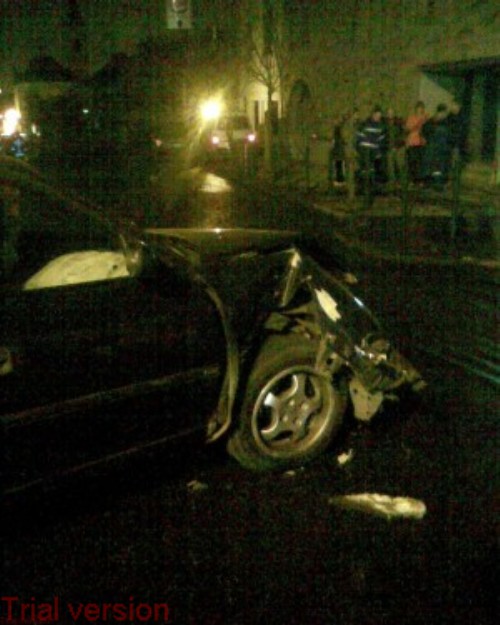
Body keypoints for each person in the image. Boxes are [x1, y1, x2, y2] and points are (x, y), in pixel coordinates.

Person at [422, 103, 451, 190]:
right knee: (432, 166)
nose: (444, 115)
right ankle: (431, 183)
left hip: (441, 149)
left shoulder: (446, 122)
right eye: (443, 113)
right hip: (433, 147)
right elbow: (425, 130)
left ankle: (437, 183)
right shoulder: (432, 121)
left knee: (438, 167)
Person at [356, 105, 387, 189]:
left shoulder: (381, 126)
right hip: (365, 149)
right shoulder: (365, 124)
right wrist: (360, 148)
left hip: (373, 150)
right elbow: (359, 137)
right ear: (373, 114)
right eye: (377, 115)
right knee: (365, 168)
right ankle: (364, 185)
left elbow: (380, 140)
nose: (378, 117)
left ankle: (370, 186)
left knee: (371, 169)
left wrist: (378, 152)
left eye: (379, 116)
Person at [405, 101, 428, 183]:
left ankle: (420, 180)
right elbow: (408, 129)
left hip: (421, 143)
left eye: (421, 109)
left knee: (420, 162)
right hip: (412, 143)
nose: (420, 110)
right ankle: (412, 180)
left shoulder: (426, 118)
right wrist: (418, 123)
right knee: (412, 162)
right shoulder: (411, 118)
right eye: (418, 109)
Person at [385, 107, 406, 189]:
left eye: (391, 112)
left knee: (400, 165)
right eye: (388, 113)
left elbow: (402, 135)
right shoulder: (385, 123)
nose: (390, 114)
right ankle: (392, 183)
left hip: (399, 147)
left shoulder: (398, 122)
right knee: (390, 167)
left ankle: (402, 183)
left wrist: (397, 145)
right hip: (389, 148)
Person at [327, 114, 346, 191]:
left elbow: (334, 142)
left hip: (338, 153)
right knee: (338, 166)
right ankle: (339, 181)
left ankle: (339, 181)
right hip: (338, 153)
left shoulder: (338, 131)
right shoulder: (338, 131)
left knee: (339, 166)